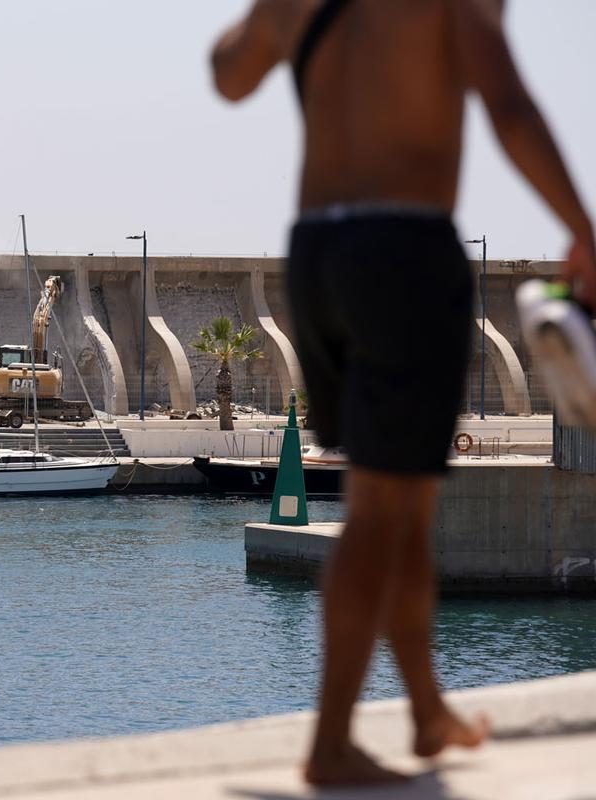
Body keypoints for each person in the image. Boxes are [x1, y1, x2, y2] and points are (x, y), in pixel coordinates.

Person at [211, 0, 595, 786]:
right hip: (403, 250)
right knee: (384, 507)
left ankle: (425, 711)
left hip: (317, 254)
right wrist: (582, 231)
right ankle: (331, 744)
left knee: (407, 500)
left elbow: (230, 75)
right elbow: (509, 102)